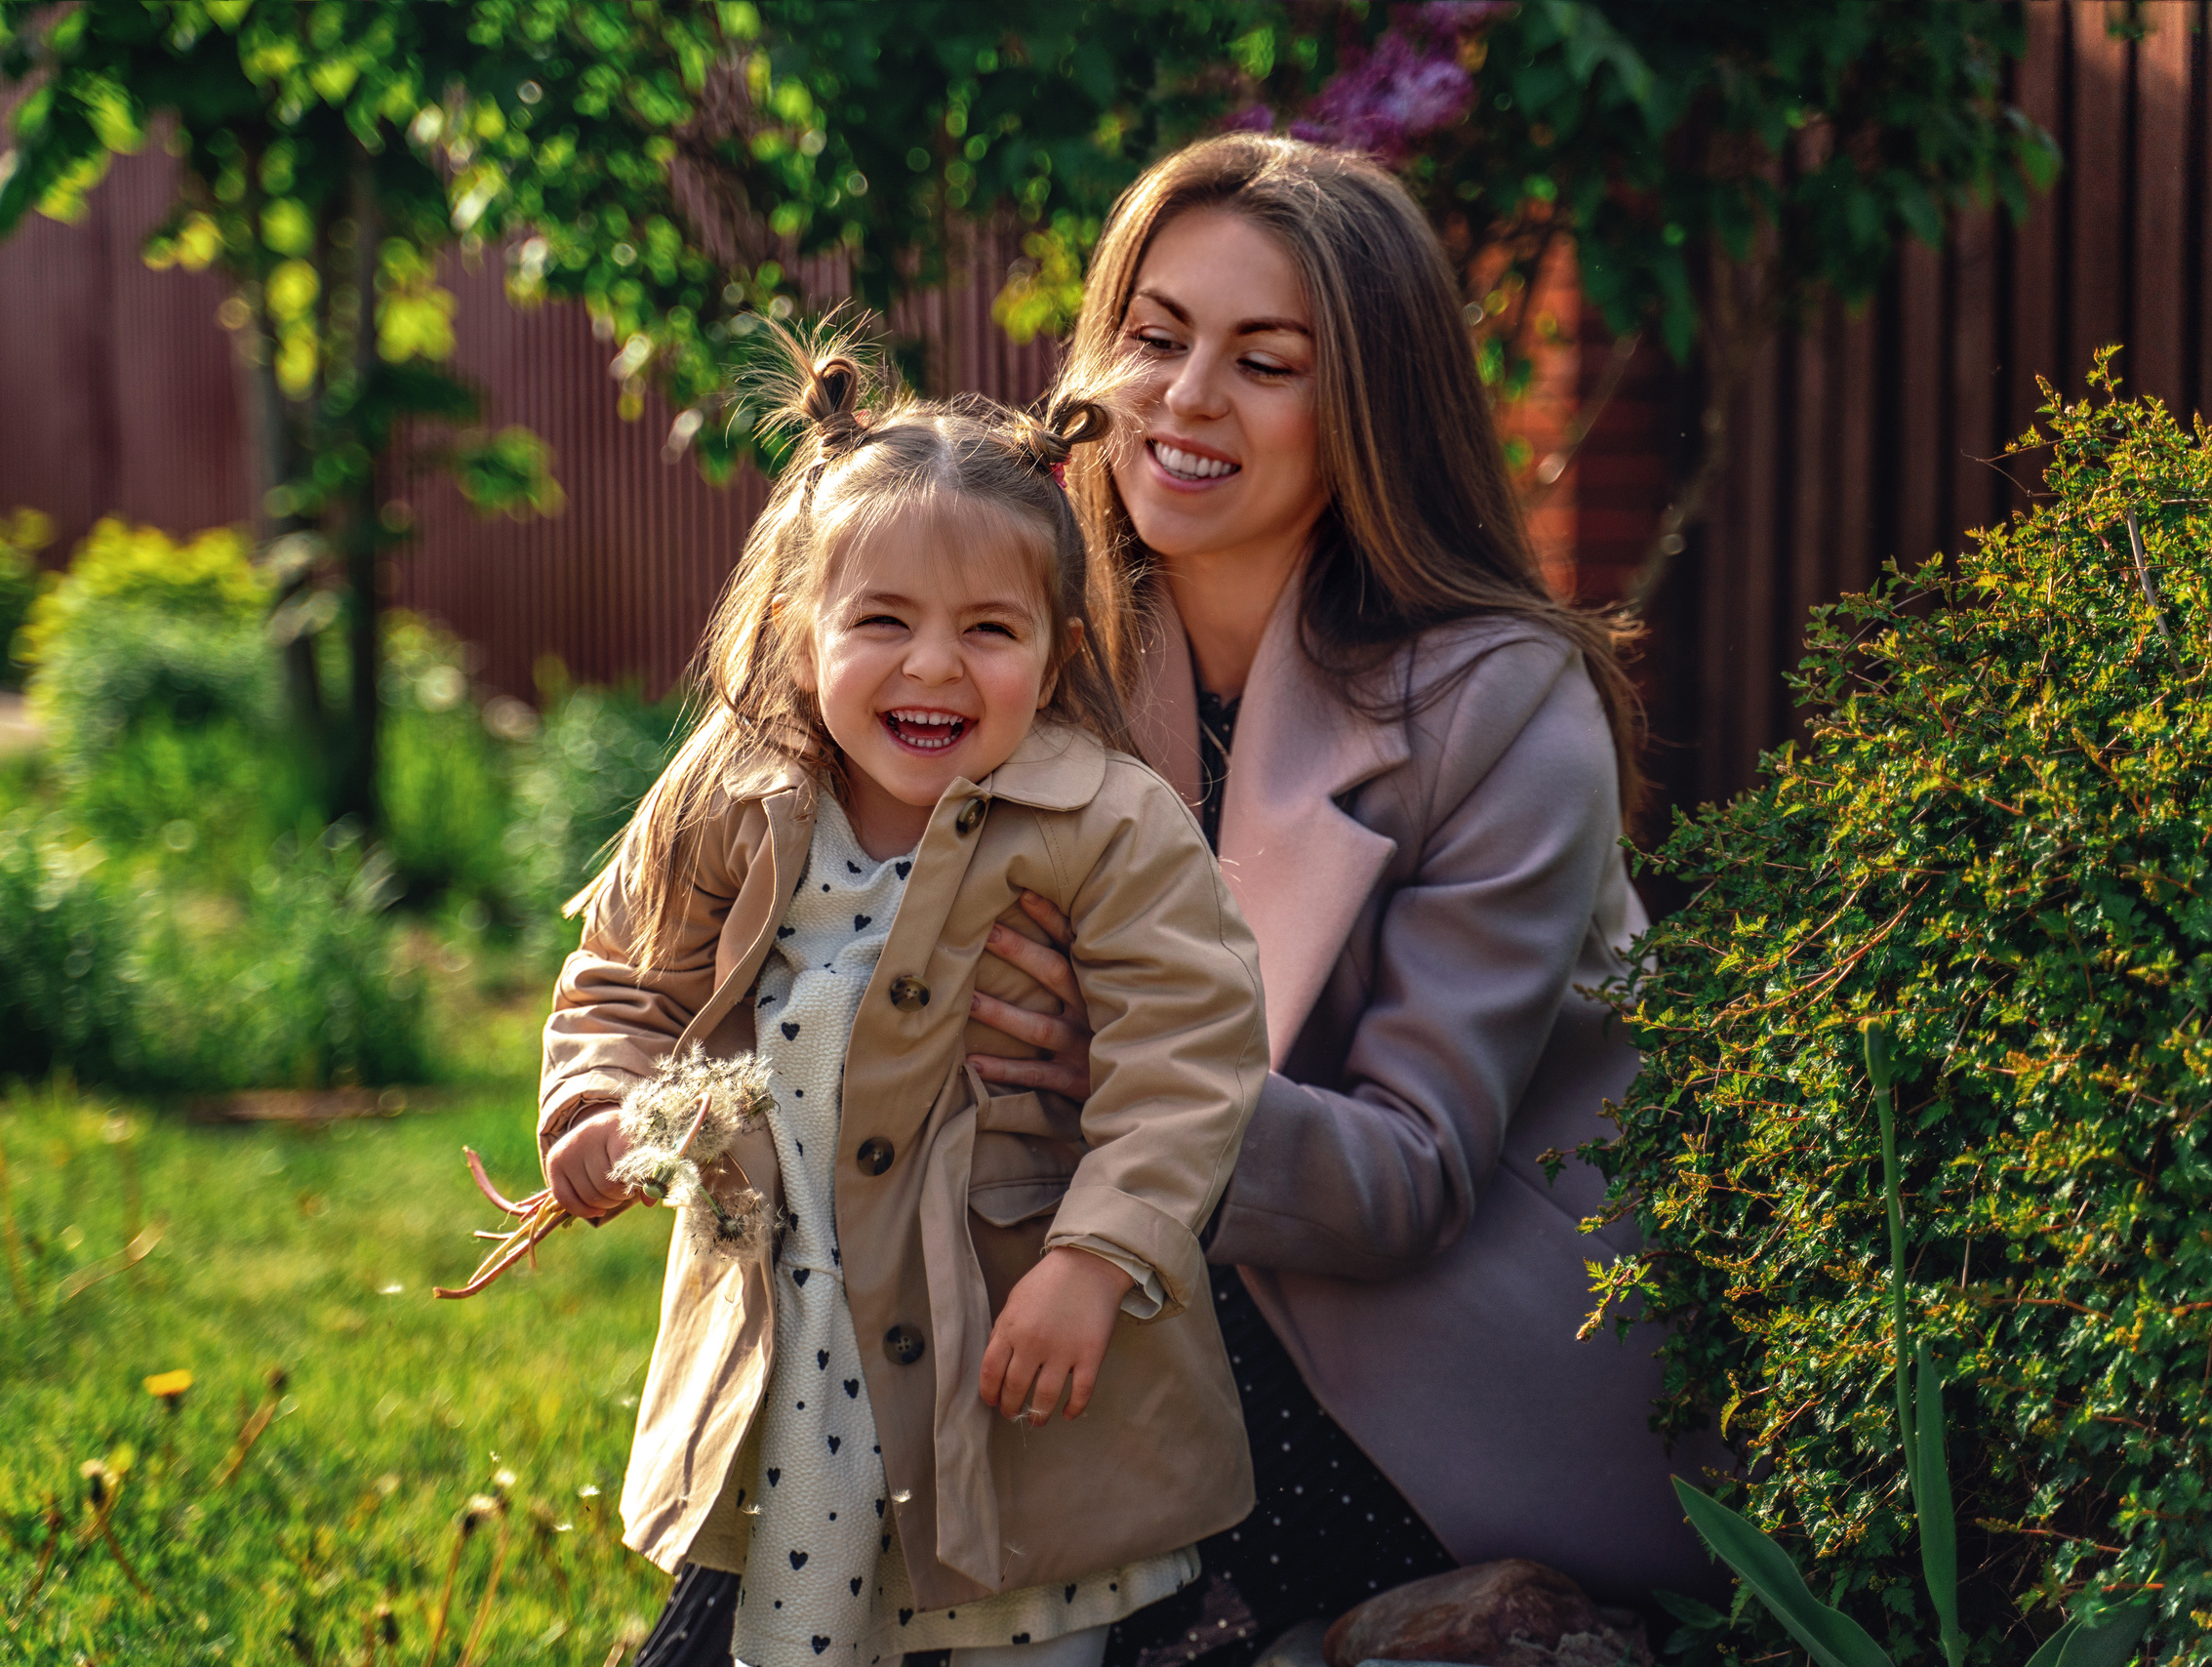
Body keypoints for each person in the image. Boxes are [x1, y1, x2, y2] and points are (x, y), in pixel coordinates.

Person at [958, 134, 1723, 1665]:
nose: (1185, 399)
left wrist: (1125, 1072)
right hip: (1120, 1296)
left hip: (1420, 1365)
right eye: (1157, 338)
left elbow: (1406, 1178)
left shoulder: (1510, 710)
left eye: (1266, 362)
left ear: (1367, 407)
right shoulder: (1034, 647)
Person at [534, 331, 1271, 1667]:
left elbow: (1191, 1054)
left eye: (988, 631)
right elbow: (625, 979)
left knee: (1017, 1608)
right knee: (805, 1616)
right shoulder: (736, 795)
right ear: (800, 632)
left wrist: (1097, 1258)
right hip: (799, 1328)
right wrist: (599, 1097)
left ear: (1053, 661)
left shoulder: (1105, 824)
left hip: (1003, 1329)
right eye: (882, 622)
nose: (934, 667)